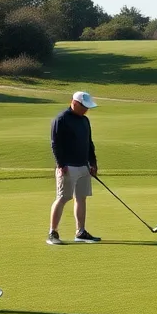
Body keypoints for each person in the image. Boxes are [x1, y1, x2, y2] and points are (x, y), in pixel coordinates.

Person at [47, 91, 102, 244]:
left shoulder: (85, 120)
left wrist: (93, 162)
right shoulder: (61, 119)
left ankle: (81, 232)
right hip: (67, 166)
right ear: (74, 103)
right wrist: (61, 164)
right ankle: (53, 233)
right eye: (84, 107)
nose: (86, 110)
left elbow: (89, 143)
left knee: (81, 198)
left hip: (83, 165)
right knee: (63, 198)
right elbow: (55, 144)